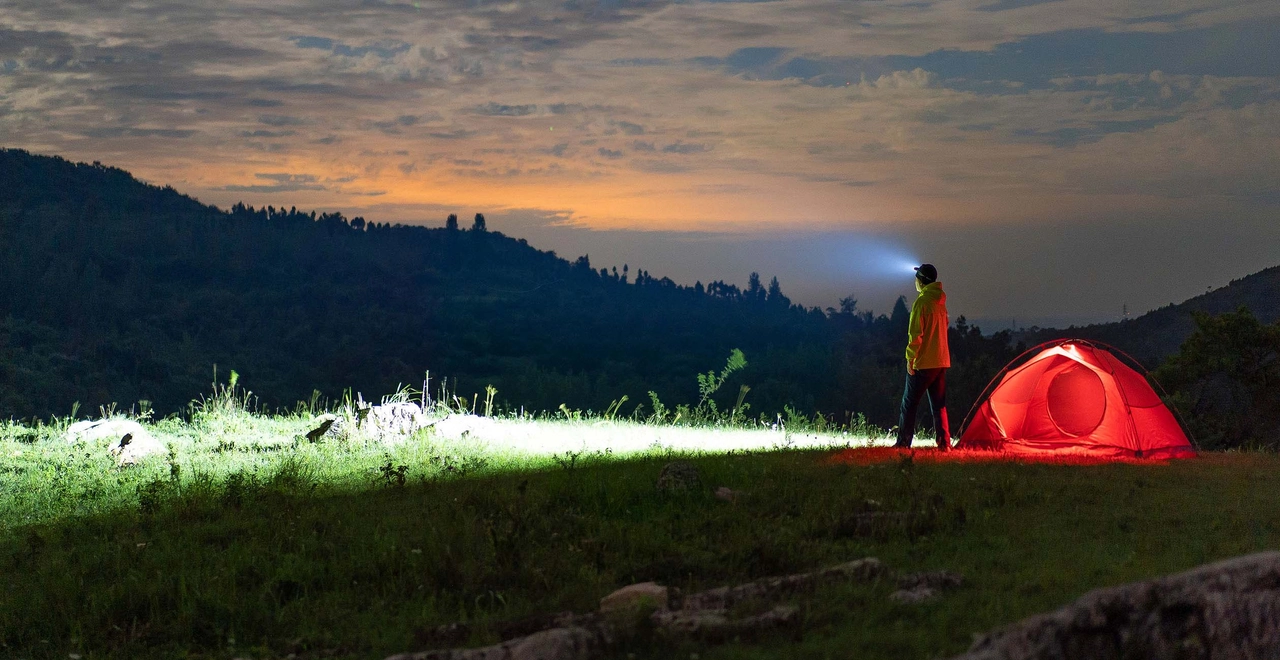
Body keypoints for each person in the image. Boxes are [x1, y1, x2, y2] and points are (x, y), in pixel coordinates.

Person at [895, 263, 951, 450]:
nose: (915, 281)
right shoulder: (940, 303)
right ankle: (944, 443)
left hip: (924, 363)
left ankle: (904, 442)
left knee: (909, 404)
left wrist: (911, 358)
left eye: (917, 278)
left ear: (922, 281)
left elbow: (915, 334)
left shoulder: (921, 302)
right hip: (941, 360)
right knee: (939, 405)